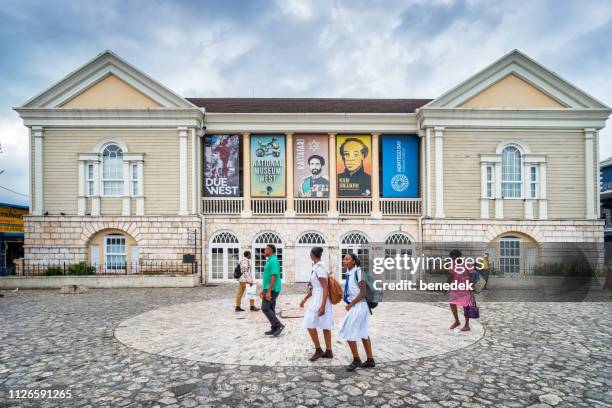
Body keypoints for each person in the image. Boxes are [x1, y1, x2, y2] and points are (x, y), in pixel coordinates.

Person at [339, 253, 375, 371]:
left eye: (347, 259)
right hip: (358, 305)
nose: (344, 261)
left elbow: (363, 292)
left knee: (348, 331)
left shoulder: (358, 272)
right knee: (363, 331)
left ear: (354, 261)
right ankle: (370, 360)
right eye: (344, 259)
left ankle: (356, 360)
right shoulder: (350, 273)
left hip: (360, 306)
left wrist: (351, 304)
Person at [299, 246, 334, 361]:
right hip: (317, 298)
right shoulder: (316, 267)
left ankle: (319, 350)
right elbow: (315, 288)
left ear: (312, 255)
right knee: (325, 325)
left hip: (320, 300)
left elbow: (325, 287)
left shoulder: (320, 268)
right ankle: (328, 351)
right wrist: (305, 299)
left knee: (310, 324)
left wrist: (322, 306)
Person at [260, 244, 284, 337]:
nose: (264, 251)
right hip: (268, 287)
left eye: (265, 249)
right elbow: (268, 277)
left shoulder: (273, 260)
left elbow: (274, 275)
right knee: (271, 308)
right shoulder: (270, 260)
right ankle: (274, 328)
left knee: (265, 307)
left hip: (273, 288)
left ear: (270, 250)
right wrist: (264, 289)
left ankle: (278, 326)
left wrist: (269, 291)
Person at [448, 249, 475, 332]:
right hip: (455, 286)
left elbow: (471, 275)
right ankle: (457, 321)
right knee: (452, 303)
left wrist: (471, 286)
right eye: (452, 258)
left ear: (459, 257)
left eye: (455, 258)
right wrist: (446, 287)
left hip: (465, 287)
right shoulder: (452, 264)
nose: (454, 260)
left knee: (466, 306)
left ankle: (467, 325)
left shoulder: (467, 263)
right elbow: (450, 276)